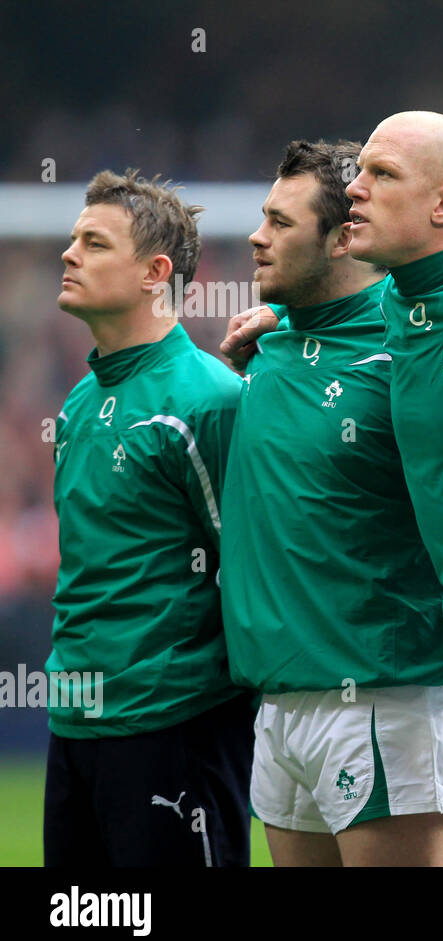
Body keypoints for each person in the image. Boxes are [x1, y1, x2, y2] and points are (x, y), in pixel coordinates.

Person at [224, 111, 443, 866]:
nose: (357, 190)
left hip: (416, 682)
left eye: (379, 176)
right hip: (293, 695)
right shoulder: (376, 311)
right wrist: (288, 313)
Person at [45, 169, 252, 866]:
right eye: (75, 238)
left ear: (154, 274)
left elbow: (247, 566)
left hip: (174, 725)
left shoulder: (209, 399)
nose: (70, 253)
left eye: (95, 243)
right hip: (74, 722)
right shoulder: (78, 403)